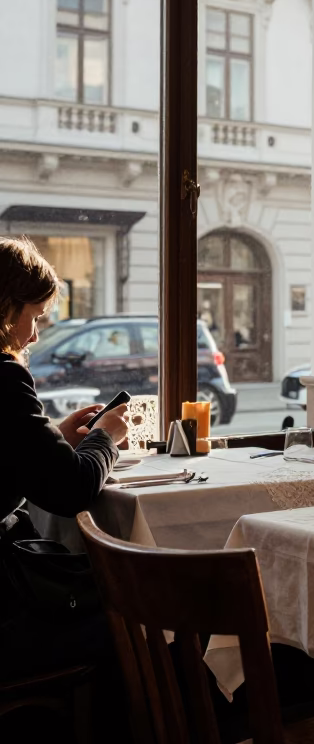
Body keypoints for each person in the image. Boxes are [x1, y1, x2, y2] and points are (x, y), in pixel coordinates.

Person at [0, 238, 129, 714]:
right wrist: (107, 438)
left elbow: (12, 453)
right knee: (134, 620)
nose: (34, 335)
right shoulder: (4, 379)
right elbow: (70, 490)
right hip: (7, 612)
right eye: (34, 316)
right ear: (5, 308)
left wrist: (55, 438)